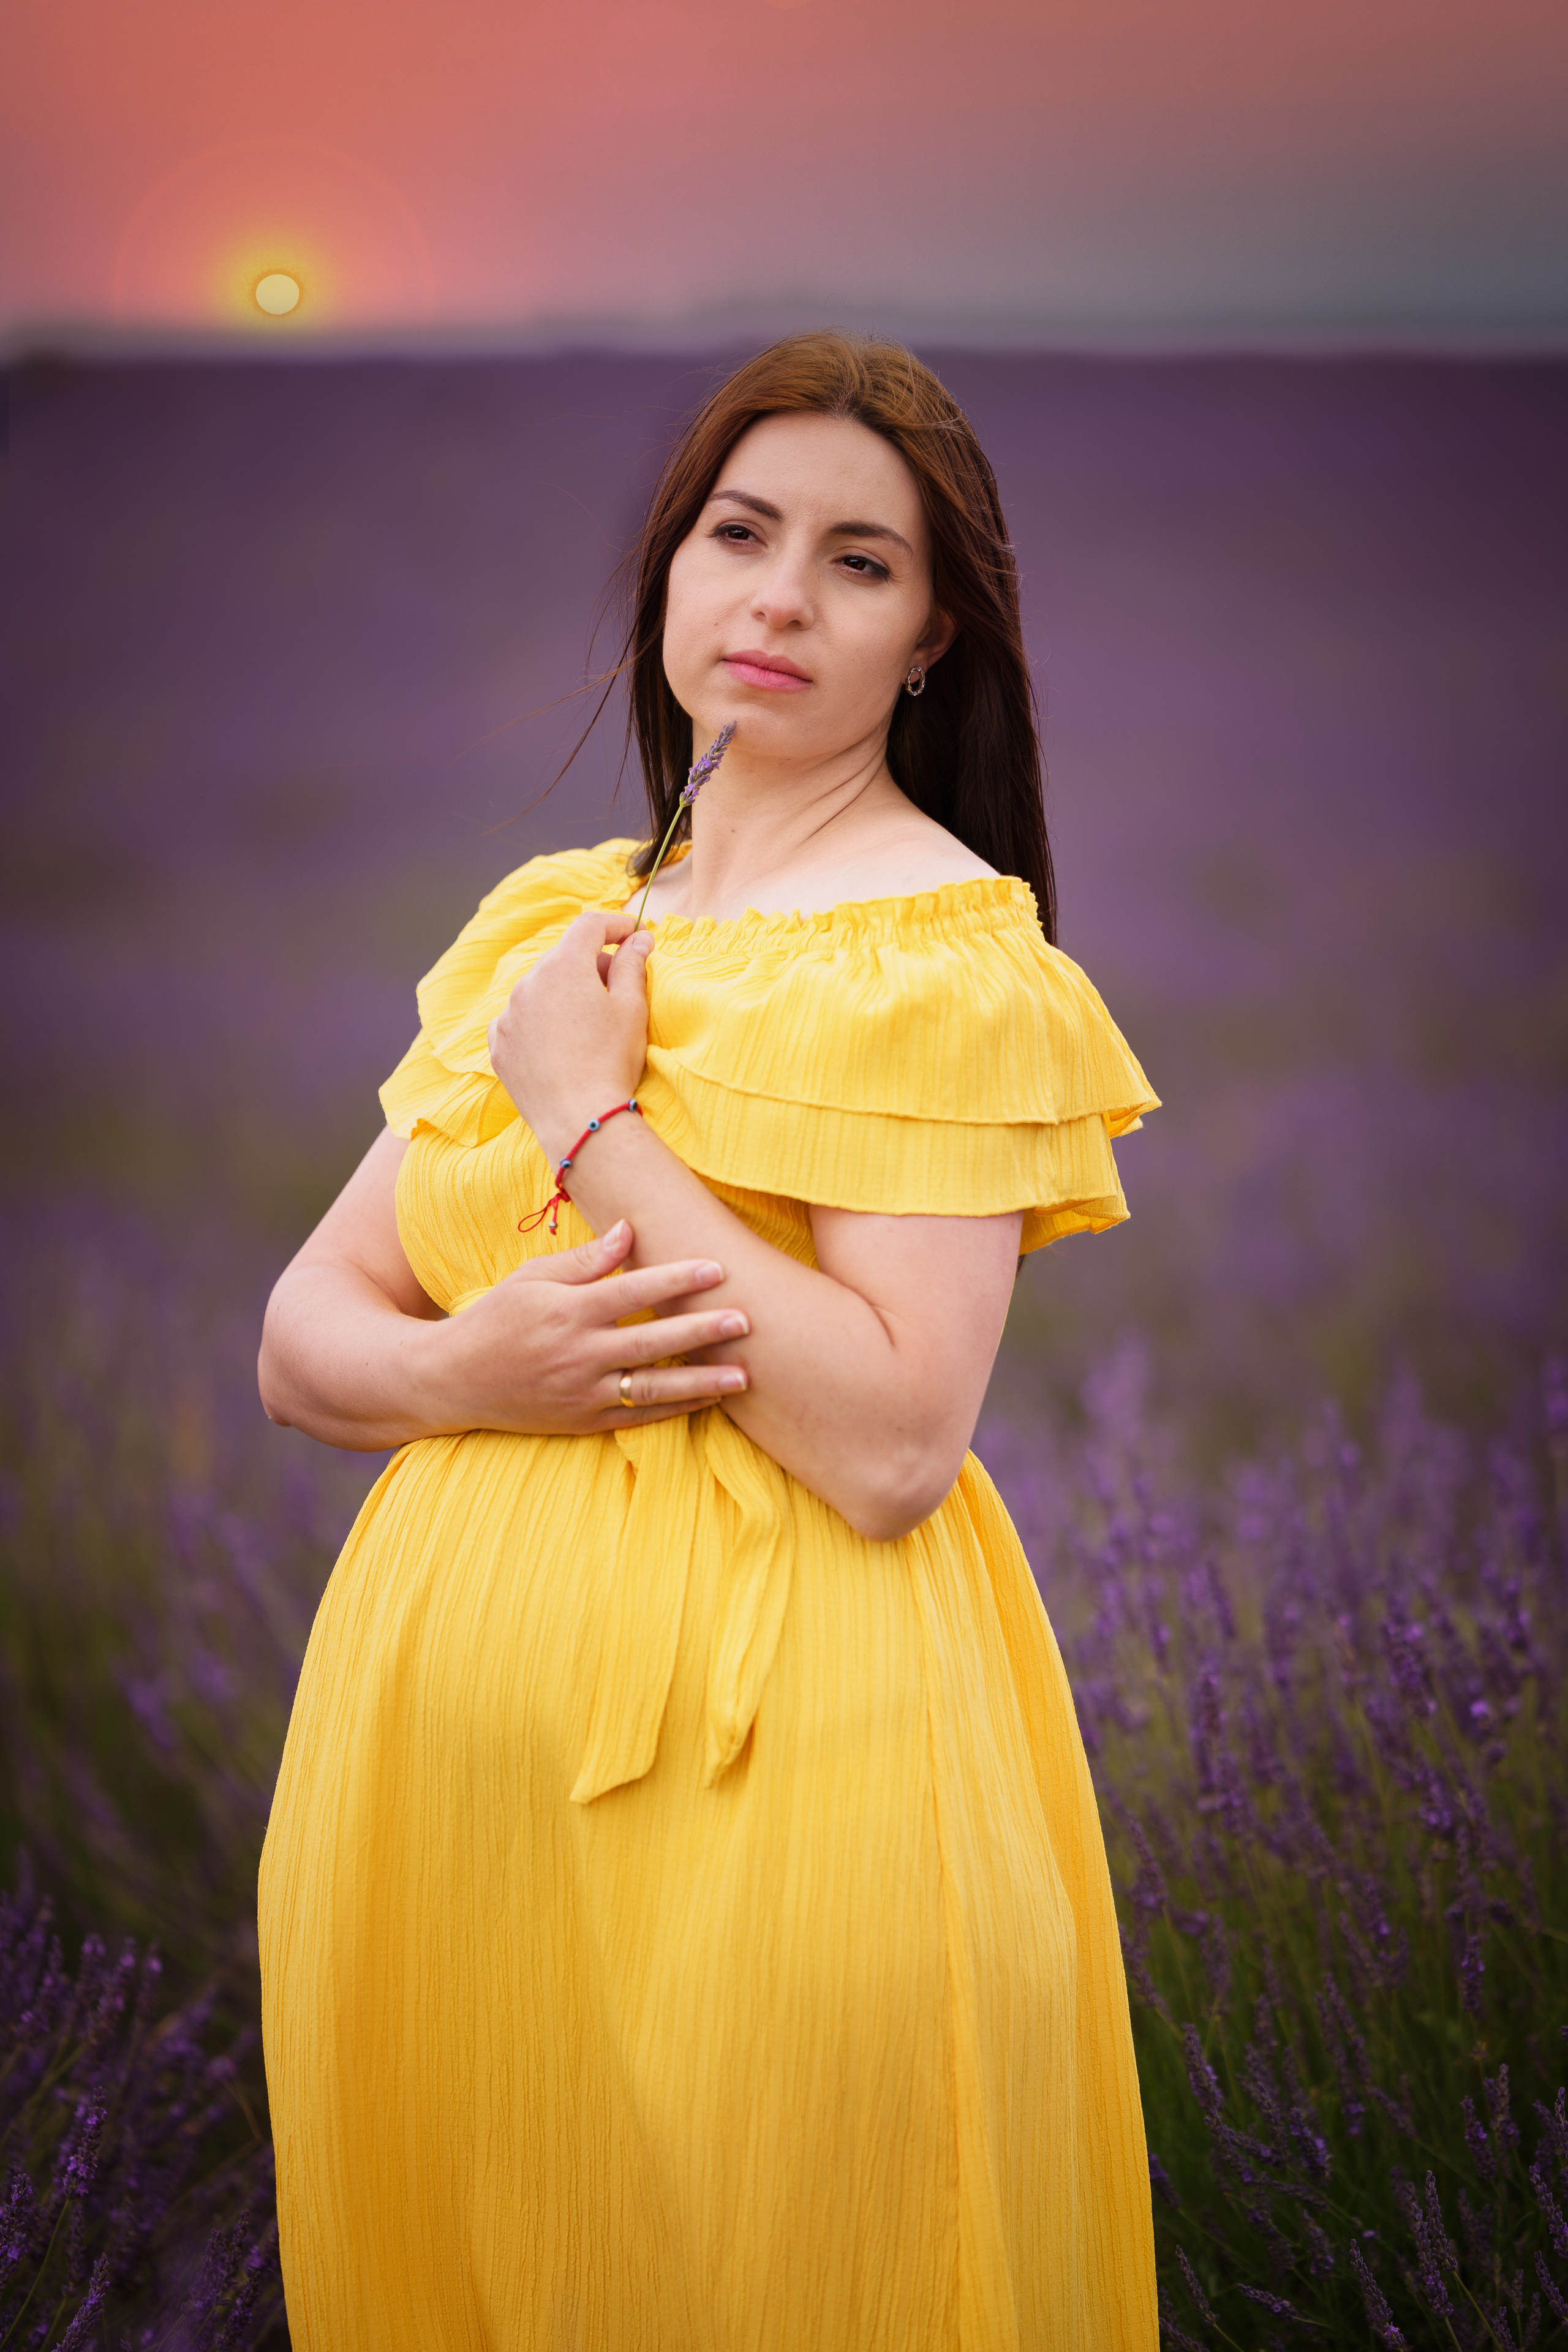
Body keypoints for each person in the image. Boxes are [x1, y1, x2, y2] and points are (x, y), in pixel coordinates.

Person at [257, 329, 1159, 2352]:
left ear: (933, 638)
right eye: (741, 534)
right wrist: (463, 1375)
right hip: (440, 1807)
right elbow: (309, 1331)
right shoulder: (554, 921)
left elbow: (893, 1440)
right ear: (669, 573)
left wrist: (597, 1127)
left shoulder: (940, 956)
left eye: (861, 561)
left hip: (780, 1801)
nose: (780, 597)